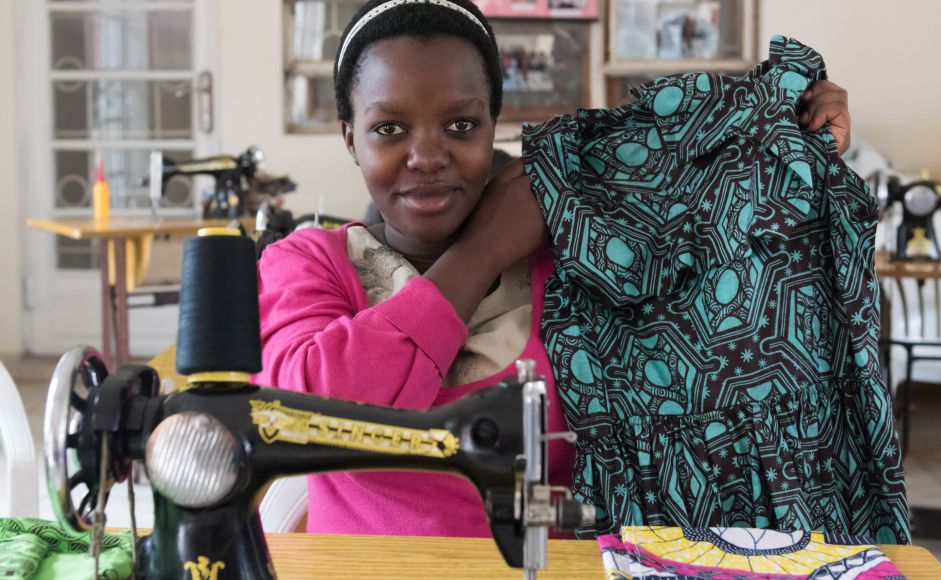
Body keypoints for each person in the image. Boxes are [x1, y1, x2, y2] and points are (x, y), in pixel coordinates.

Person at [254, 0, 853, 537]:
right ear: (351, 138)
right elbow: (307, 415)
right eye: (389, 129)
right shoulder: (305, 264)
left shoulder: (575, 252)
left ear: (493, 126)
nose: (428, 156)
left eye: (461, 125)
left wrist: (790, 135)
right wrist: (481, 253)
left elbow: (724, 237)